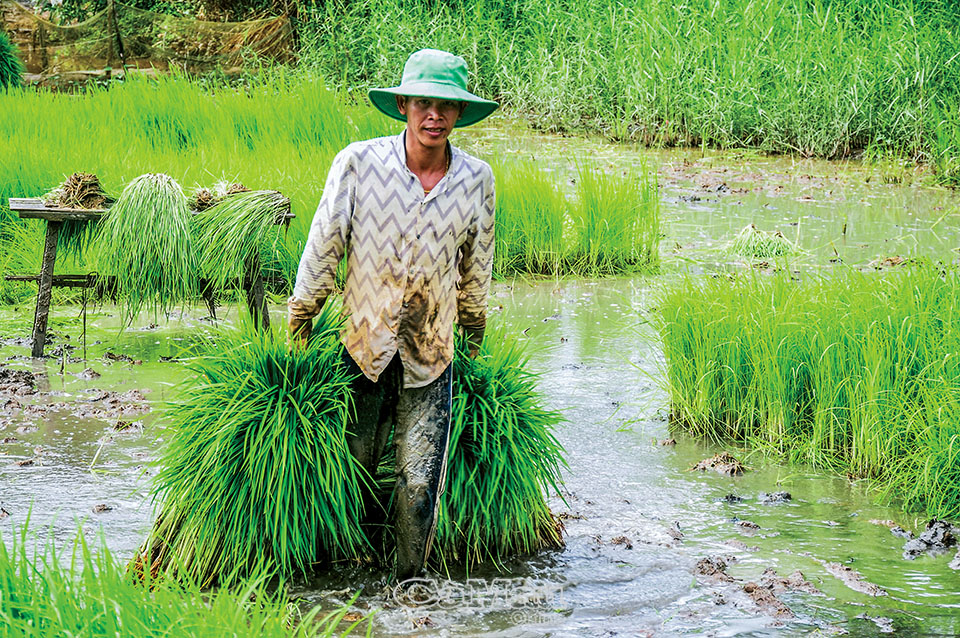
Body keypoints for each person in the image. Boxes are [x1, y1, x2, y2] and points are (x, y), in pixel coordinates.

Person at [287, 49, 499, 581]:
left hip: (431, 353)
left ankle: (410, 584)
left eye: (447, 105)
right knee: (355, 463)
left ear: (459, 113)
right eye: (424, 103)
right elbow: (324, 246)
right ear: (403, 105)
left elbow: (477, 269)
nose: (435, 115)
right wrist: (301, 319)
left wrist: (473, 340)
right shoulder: (359, 164)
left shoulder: (476, 180)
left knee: (419, 480)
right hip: (361, 345)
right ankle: (345, 578)